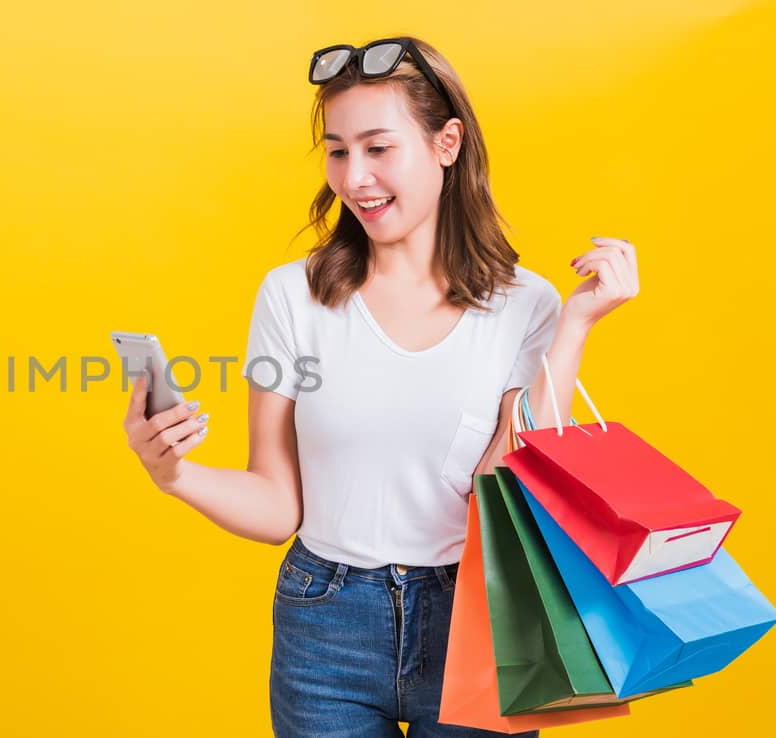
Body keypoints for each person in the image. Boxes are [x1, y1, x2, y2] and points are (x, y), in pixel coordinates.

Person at [119, 36, 640, 737]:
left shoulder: (527, 304)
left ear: (446, 143)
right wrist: (172, 472)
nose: (354, 177)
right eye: (337, 151)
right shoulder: (291, 298)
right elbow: (277, 506)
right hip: (325, 621)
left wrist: (573, 329)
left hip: (477, 618)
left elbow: (509, 496)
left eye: (377, 148)